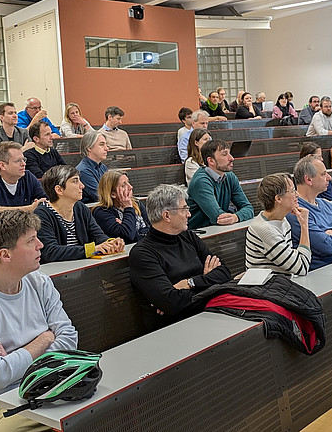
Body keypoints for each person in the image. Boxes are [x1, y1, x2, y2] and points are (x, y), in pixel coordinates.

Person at [0, 210, 78, 431]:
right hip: (6, 400)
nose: (40, 245)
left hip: (54, 381)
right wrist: (45, 339)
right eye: (31, 241)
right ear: (5, 255)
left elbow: (69, 339)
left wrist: (13, 358)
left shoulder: (40, 282)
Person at [129, 184, 232, 331]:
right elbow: (171, 303)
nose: (189, 214)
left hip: (206, 314)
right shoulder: (142, 254)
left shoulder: (188, 236)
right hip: (172, 328)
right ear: (166, 215)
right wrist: (209, 283)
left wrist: (190, 282)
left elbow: (224, 273)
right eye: (184, 209)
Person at [35, 165, 124, 262]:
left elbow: (97, 235)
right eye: (75, 181)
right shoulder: (42, 214)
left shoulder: (80, 208)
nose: (82, 186)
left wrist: (110, 242)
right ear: (59, 189)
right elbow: (50, 251)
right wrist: (91, 250)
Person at [286, 157, 332, 269]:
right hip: (324, 270)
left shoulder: (325, 204)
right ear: (308, 179)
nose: (329, 177)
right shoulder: (296, 211)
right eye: (323, 174)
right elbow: (325, 246)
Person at [244, 173, 310, 275]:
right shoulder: (265, 229)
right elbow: (301, 268)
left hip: (280, 284)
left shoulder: (282, 220)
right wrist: (304, 225)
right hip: (267, 287)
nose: (297, 194)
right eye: (292, 191)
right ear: (278, 199)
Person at [186, 139, 254, 228]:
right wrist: (236, 216)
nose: (232, 158)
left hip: (219, 231)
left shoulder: (230, 176)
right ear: (211, 161)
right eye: (225, 154)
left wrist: (236, 217)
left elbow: (248, 208)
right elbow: (217, 218)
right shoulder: (201, 181)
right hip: (199, 233)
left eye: (229, 153)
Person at [0, 141, 47, 219]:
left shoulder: (28, 177)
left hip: (22, 227)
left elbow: (45, 200)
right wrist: (30, 209)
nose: (24, 164)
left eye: (24, 160)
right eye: (18, 161)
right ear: (2, 165)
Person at [92, 170, 149, 243]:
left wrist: (134, 232)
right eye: (123, 185)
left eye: (128, 182)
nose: (130, 187)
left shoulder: (136, 204)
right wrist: (128, 207)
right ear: (113, 194)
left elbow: (153, 230)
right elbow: (127, 237)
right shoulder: (101, 212)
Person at [76, 131, 109, 203]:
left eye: (106, 145)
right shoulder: (83, 171)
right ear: (89, 148)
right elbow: (100, 196)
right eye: (101, 145)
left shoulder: (103, 167)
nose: (106, 148)